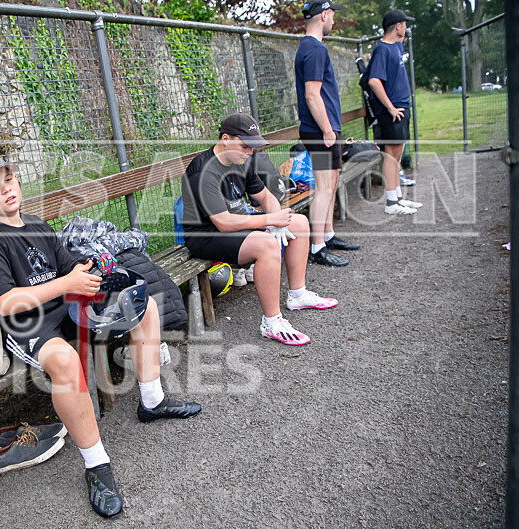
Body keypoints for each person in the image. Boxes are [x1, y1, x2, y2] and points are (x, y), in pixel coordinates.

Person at [0, 153, 201, 519]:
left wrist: (95, 271)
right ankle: (97, 466)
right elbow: (8, 303)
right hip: (26, 323)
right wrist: (68, 282)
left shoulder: (36, 225)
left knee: (143, 307)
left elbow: (68, 270)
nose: (5, 190)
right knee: (64, 362)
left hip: (65, 305)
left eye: (7, 180)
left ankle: (152, 401)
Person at [181, 113, 338, 347]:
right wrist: (268, 220)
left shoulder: (242, 161)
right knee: (267, 245)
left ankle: (297, 294)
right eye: (245, 146)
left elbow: (264, 196)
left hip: (237, 223)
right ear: (225, 139)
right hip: (206, 235)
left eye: (252, 147)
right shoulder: (203, 170)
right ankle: (272, 322)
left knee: (299, 223)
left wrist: (276, 219)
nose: (250, 152)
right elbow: (223, 222)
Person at [294, 0, 360, 267]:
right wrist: (327, 129)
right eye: (332, 14)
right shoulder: (314, 49)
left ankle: (328, 235)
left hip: (324, 129)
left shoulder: (312, 47)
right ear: (323, 14)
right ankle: (317, 246)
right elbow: (312, 95)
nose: (334, 19)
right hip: (320, 131)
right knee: (322, 188)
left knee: (331, 183)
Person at [368, 9, 423, 214]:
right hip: (392, 111)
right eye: (404, 24)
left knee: (397, 155)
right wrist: (390, 107)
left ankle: (398, 198)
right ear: (398, 26)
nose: (406, 28)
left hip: (402, 107)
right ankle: (391, 203)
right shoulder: (382, 49)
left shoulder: (397, 48)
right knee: (390, 156)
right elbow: (374, 81)